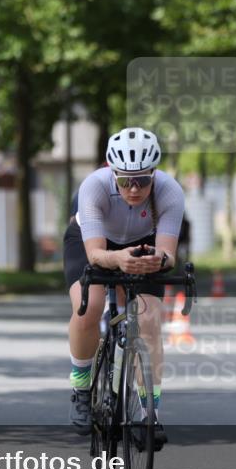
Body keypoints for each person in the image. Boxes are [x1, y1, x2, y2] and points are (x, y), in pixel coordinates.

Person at [63, 127, 184, 449]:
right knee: (88, 307)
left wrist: (160, 259)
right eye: (124, 181)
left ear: (154, 174)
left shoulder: (170, 191)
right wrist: (116, 259)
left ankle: (149, 412)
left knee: (149, 320)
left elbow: (169, 253)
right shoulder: (94, 186)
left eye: (142, 180)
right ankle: (81, 388)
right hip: (94, 242)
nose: (133, 189)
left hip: (142, 246)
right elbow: (95, 254)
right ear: (112, 172)